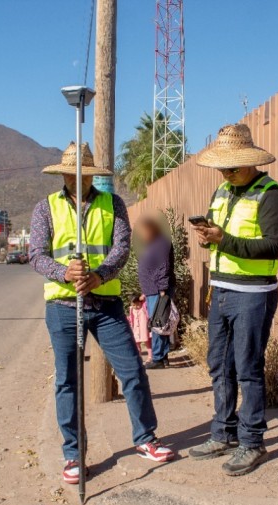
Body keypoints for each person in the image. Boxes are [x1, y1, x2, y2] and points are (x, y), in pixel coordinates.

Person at [29, 142, 175, 485]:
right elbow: (36, 254)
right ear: (64, 174)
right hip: (63, 307)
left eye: (82, 173)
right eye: (71, 172)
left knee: (133, 371)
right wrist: (64, 272)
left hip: (105, 304)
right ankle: (73, 454)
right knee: (68, 381)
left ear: (90, 175)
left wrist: (99, 275)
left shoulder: (114, 204)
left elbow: (121, 248)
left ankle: (145, 438)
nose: (76, 177)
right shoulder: (45, 209)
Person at [187, 124, 278, 476]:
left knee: (247, 369)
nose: (226, 173)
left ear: (250, 162)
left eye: (232, 167)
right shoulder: (222, 192)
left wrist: (224, 239)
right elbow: (219, 237)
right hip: (222, 290)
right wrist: (207, 237)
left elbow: (273, 245)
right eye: (222, 168)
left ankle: (252, 442)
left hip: (253, 294)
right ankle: (223, 433)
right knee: (219, 365)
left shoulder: (272, 195)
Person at [135, 214, 175, 369]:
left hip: (159, 291)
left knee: (159, 323)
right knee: (160, 323)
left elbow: (163, 267)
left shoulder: (161, 243)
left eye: (143, 231)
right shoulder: (153, 244)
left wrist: (163, 289)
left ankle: (158, 358)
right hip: (153, 290)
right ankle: (162, 357)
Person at [127, 293, 152, 361]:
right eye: (133, 305)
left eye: (137, 304)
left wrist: (143, 296)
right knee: (137, 343)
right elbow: (131, 318)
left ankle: (150, 356)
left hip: (144, 328)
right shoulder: (132, 309)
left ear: (141, 302)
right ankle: (139, 356)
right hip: (136, 329)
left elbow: (147, 299)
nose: (136, 306)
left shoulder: (144, 307)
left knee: (147, 343)